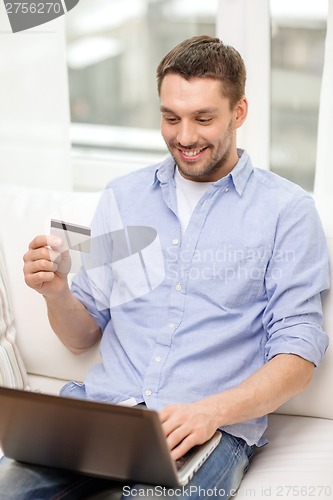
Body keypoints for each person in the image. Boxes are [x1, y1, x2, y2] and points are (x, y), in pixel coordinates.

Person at [0, 35, 329, 499]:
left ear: (239, 113)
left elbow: (297, 357)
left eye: (204, 118)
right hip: (102, 413)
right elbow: (82, 336)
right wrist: (56, 292)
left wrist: (210, 412)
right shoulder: (123, 196)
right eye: (171, 118)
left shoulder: (288, 212)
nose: (185, 137)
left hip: (207, 432)